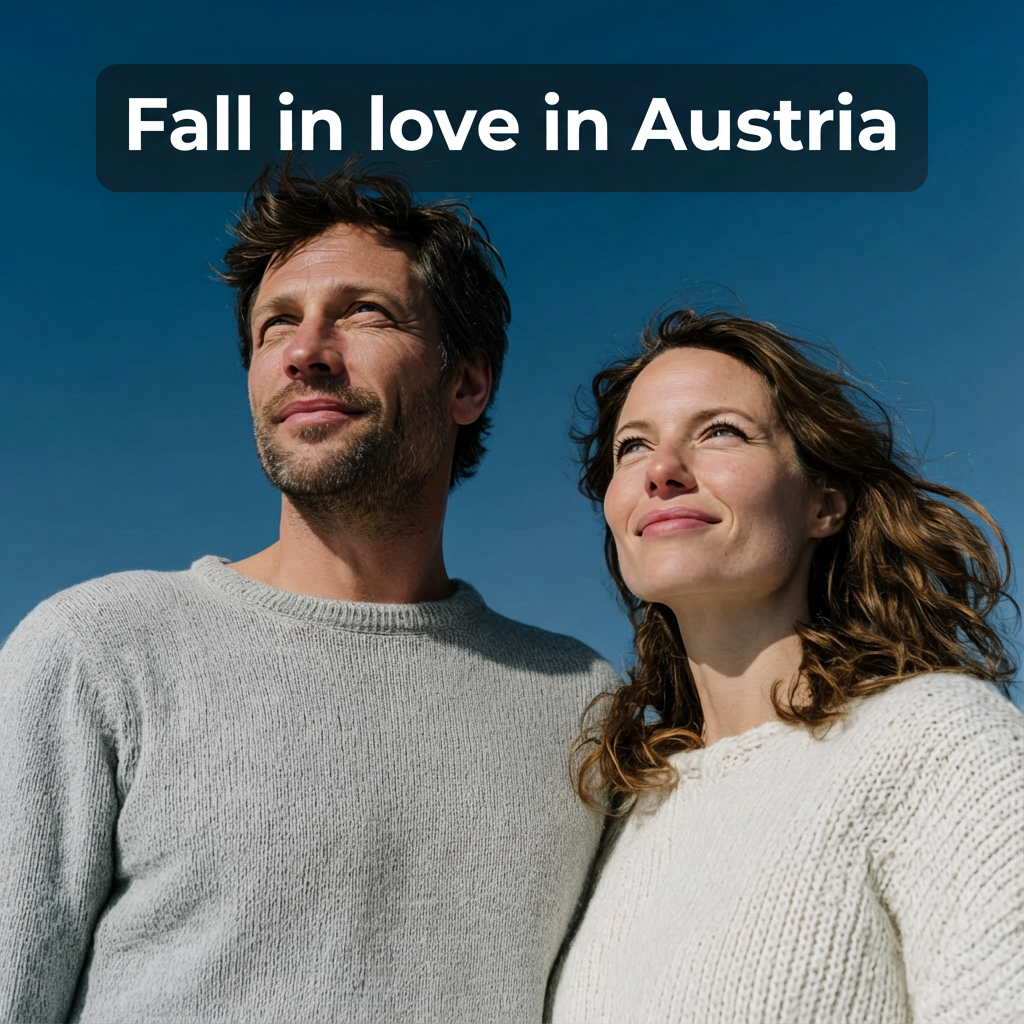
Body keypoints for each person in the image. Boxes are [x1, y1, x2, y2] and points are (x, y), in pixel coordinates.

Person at [0, 163, 619, 1024]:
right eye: (275, 325)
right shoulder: (94, 651)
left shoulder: (585, 702)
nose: (305, 352)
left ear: (468, 382)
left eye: (363, 312)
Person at [550, 309, 1023, 1024]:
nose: (662, 472)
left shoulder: (937, 739)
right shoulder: (626, 812)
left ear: (824, 502)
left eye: (720, 432)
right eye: (632, 447)